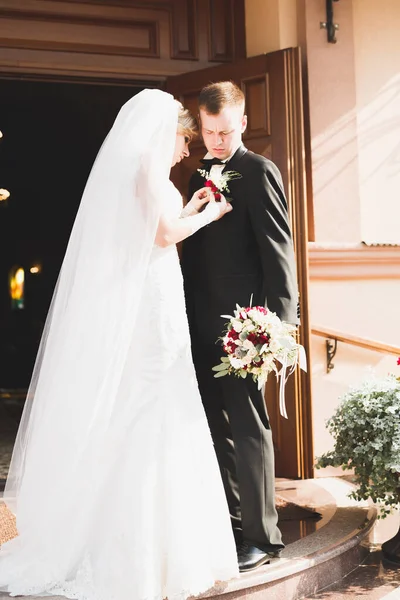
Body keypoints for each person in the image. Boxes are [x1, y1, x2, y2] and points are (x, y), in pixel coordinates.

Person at [0, 89, 239, 600]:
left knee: (152, 405)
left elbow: (153, 223)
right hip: (152, 303)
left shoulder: (137, 171)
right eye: (182, 138)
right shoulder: (146, 170)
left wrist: (192, 201)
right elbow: (161, 234)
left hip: (155, 296)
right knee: (152, 406)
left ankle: (161, 545)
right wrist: (208, 217)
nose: (184, 149)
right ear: (162, 132)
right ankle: (145, 555)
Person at [182, 81, 299, 573]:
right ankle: (230, 527)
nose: (217, 142)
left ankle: (262, 537)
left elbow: (278, 254)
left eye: (225, 132)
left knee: (249, 430)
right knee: (213, 429)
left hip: (243, 330)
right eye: (209, 132)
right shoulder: (196, 177)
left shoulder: (259, 171)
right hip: (197, 320)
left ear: (243, 123)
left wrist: (278, 329)